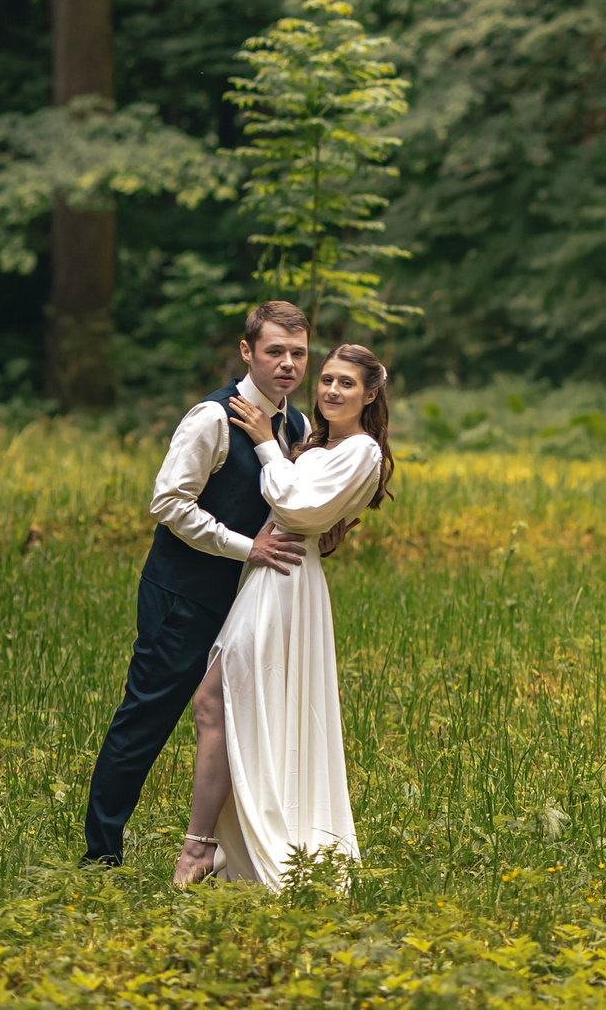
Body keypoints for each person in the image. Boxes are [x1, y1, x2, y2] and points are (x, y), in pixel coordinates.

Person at [82, 300, 316, 867]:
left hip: (250, 601)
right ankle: (100, 855)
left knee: (240, 720)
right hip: (181, 594)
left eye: (298, 353)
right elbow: (168, 502)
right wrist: (246, 548)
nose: (287, 364)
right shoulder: (211, 418)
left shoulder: (298, 425)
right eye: (274, 351)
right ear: (246, 352)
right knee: (148, 718)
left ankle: (228, 853)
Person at [173, 343, 395, 888]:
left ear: (370, 394)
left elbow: (298, 508)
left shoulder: (362, 450)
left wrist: (267, 446)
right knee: (242, 706)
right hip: (272, 575)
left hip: (288, 579)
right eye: (328, 380)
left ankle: (200, 849)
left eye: (347, 383)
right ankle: (229, 842)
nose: (331, 390)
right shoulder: (321, 443)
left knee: (214, 700)